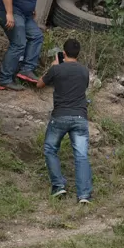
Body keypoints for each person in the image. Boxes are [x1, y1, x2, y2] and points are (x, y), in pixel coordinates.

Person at [36, 38, 93, 204]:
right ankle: (84, 195)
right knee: (81, 156)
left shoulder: (57, 69)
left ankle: (58, 186)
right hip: (80, 117)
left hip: (60, 116)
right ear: (78, 53)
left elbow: (39, 84)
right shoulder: (84, 71)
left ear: (63, 52)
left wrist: (53, 66)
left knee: (50, 149)